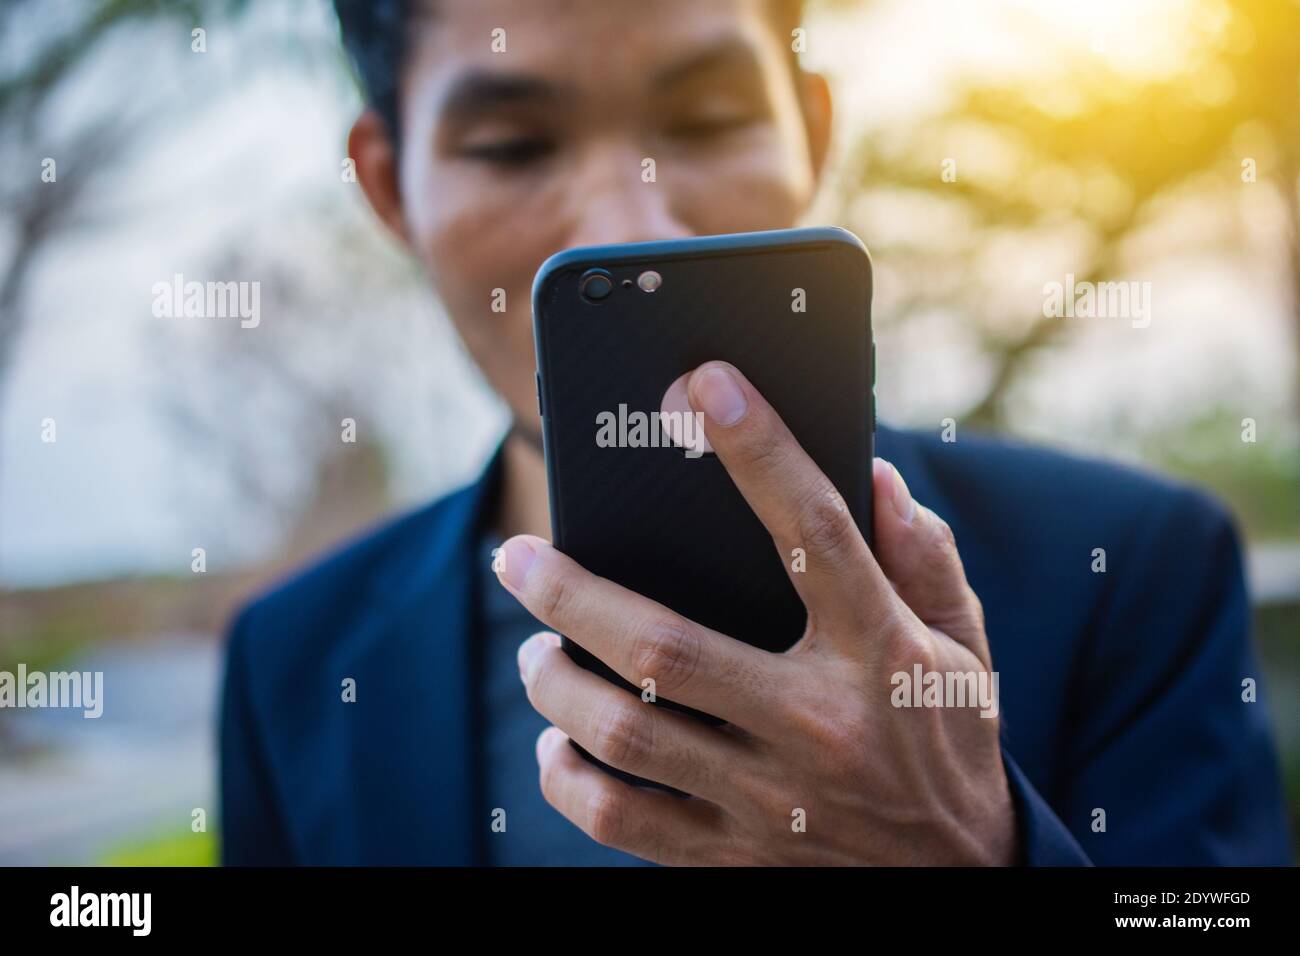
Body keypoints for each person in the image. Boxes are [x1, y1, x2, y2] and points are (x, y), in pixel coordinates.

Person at [219, 0, 1291, 865]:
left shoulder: (1132, 568)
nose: (630, 226)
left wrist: (970, 847)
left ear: (811, 133)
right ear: (387, 183)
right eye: (512, 144)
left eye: (705, 121)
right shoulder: (291, 667)